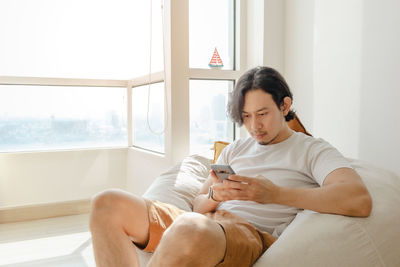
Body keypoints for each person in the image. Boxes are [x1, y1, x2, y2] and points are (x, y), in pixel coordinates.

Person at [89, 66, 372, 267]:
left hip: (246, 234)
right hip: (203, 222)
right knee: (106, 203)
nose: (254, 126)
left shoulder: (311, 149)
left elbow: (357, 199)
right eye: (246, 116)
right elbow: (198, 204)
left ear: (285, 106)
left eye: (262, 114)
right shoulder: (236, 148)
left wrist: (274, 194)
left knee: (190, 228)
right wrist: (215, 196)